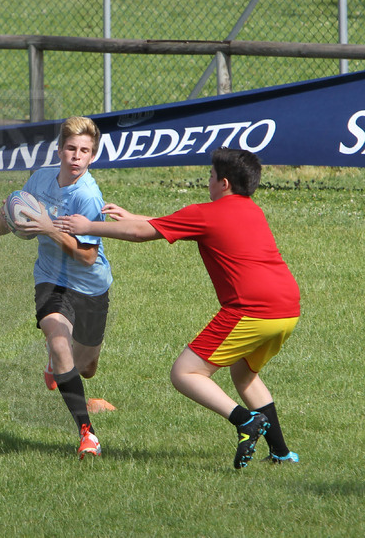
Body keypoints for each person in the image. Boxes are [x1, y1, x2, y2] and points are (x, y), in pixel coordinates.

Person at [54, 147, 300, 469]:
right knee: (244, 374)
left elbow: (140, 234)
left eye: (211, 176)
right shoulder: (252, 211)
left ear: (224, 183)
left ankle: (245, 420)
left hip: (251, 310)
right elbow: (171, 224)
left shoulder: (208, 213)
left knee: (185, 373)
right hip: (287, 309)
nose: (208, 181)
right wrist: (135, 216)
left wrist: (87, 227)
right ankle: (281, 453)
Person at [0, 116, 112, 460]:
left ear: (92, 156)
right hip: (51, 279)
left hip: (90, 286)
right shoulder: (40, 179)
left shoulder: (88, 196)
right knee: (60, 343)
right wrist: (8, 216)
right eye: (71, 148)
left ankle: (57, 366)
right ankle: (87, 433)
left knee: (86, 367)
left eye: (84, 151)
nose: (76, 156)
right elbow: (5, 225)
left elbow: (88, 257)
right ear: (60, 150)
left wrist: (48, 228)